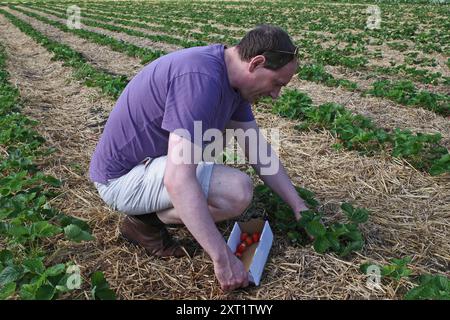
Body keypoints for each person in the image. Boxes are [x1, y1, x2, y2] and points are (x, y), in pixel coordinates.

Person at [89, 24, 309, 292]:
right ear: (256, 63)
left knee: (225, 185)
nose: (276, 95)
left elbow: (259, 152)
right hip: (122, 178)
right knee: (236, 191)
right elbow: (178, 180)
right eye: (277, 83)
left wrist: (299, 207)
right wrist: (222, 258)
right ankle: (144, 223)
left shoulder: (233, 82)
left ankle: (149, 218)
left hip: (150, 164)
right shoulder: (201, 80)